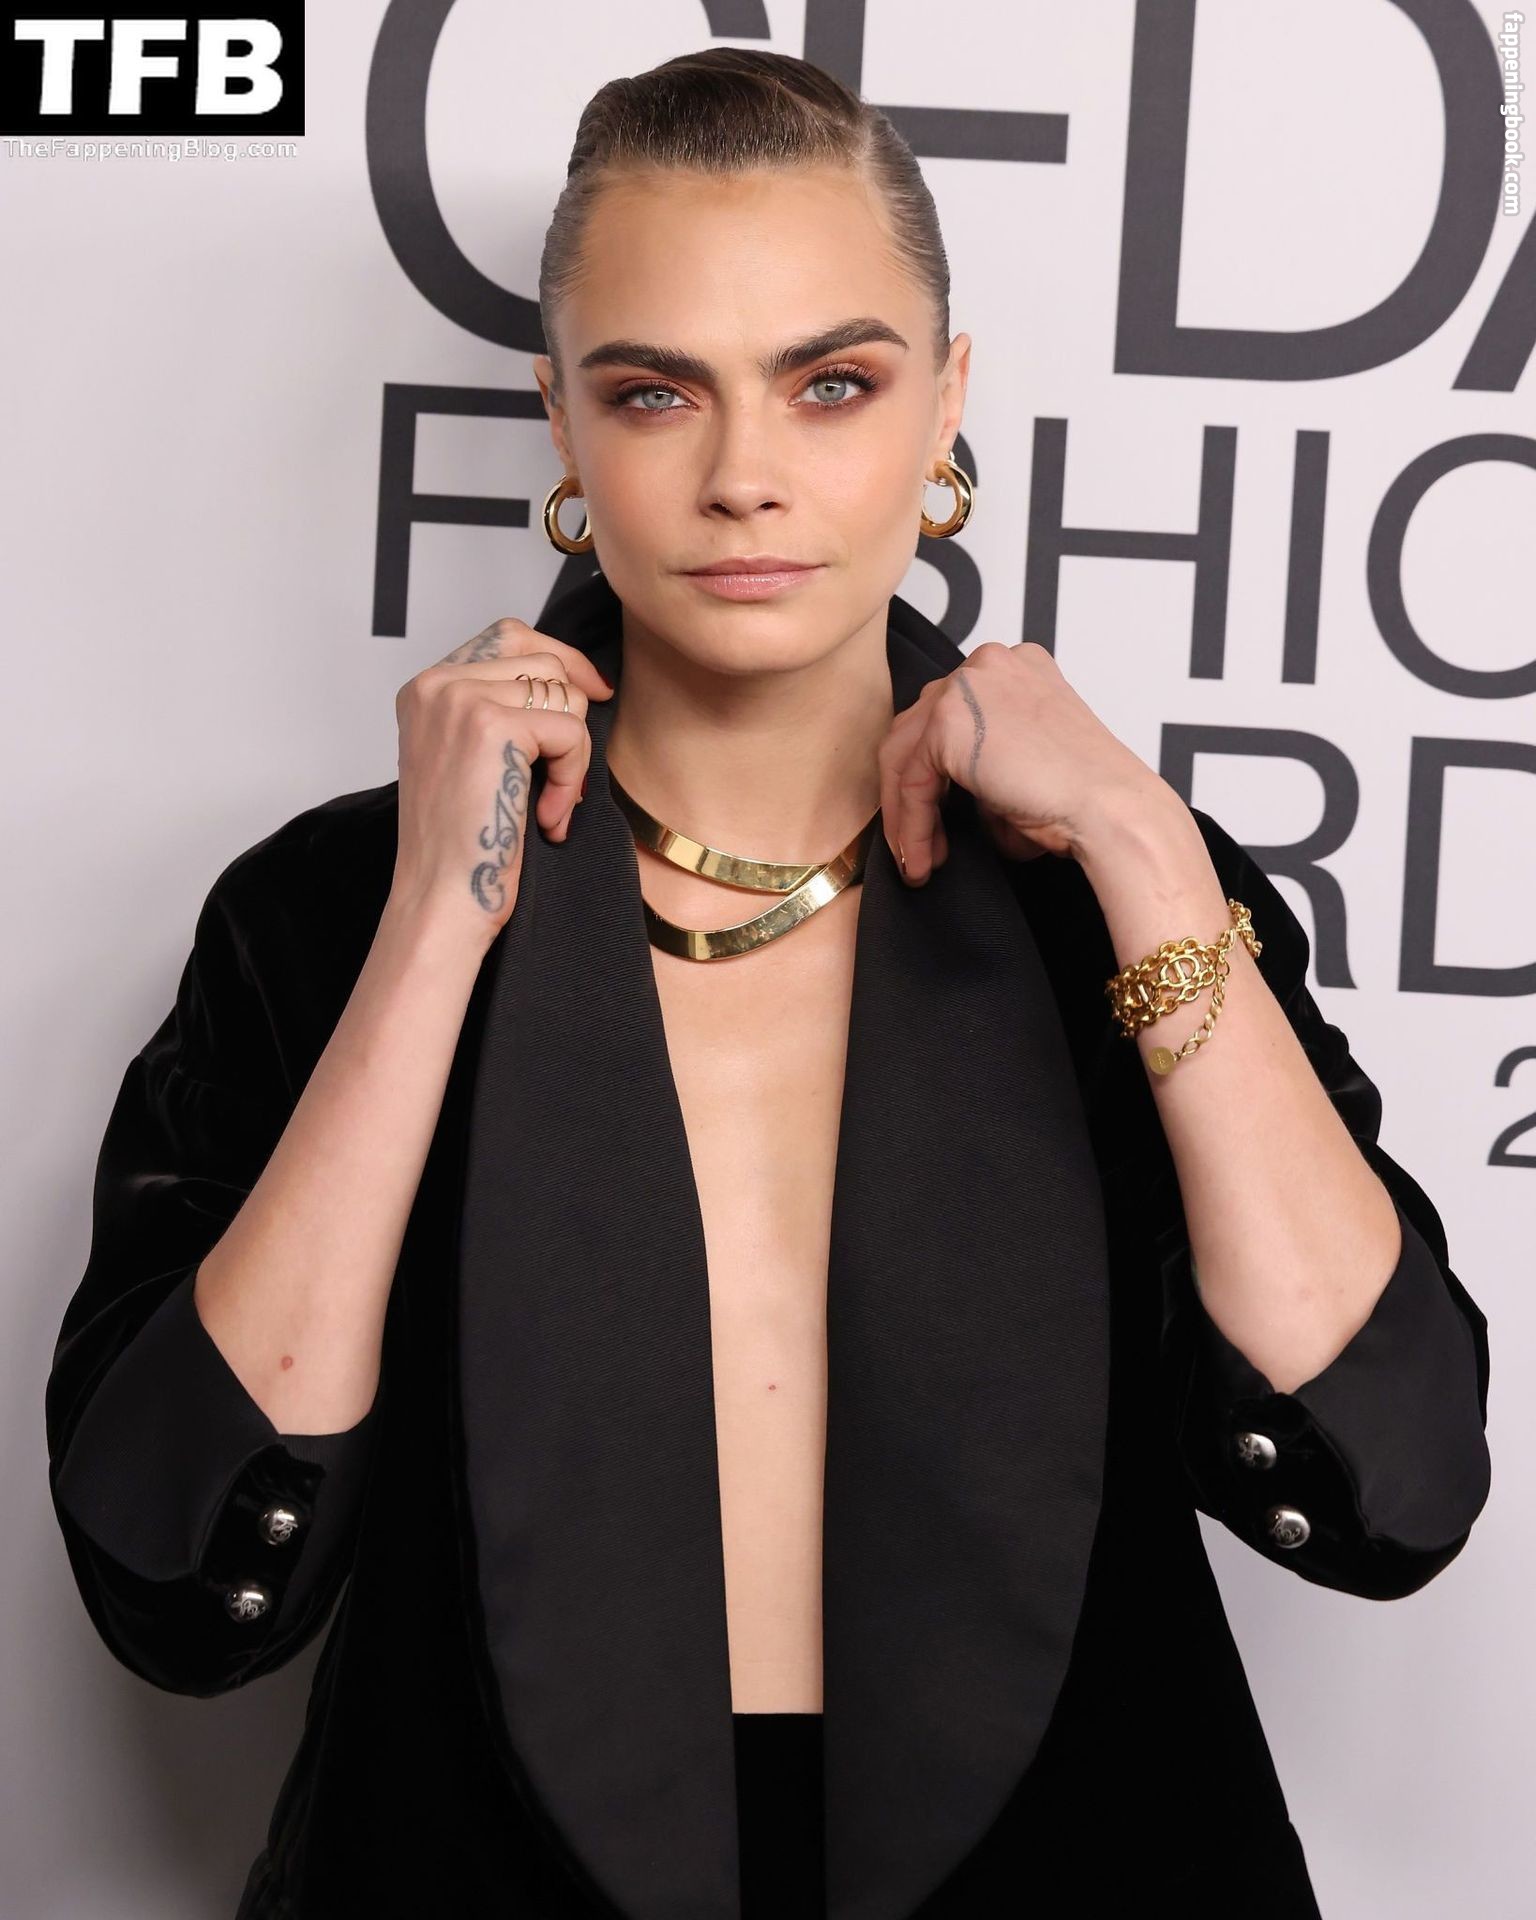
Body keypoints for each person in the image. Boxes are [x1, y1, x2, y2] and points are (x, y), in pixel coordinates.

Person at [45, 45, 1490, 1920]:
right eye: (656, 393)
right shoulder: (326, 914)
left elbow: (1394, 1485)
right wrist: (430, 928)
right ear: (562, 421)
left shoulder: (1123, 903)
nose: (744, 479)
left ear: (946, 402)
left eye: (832, 384)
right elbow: (180, 1581)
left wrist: (1143, 846)